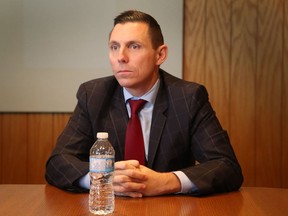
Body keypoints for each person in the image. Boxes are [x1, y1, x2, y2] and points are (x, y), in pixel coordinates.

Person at [45, 10, 243, 197]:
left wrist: (167, 181)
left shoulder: (188, 97)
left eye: (134, 46)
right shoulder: (94, 95)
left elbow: (227, 166)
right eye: (114, 47)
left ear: (160, 55)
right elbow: (57, 163)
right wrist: (101, 179)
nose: (121, 57)